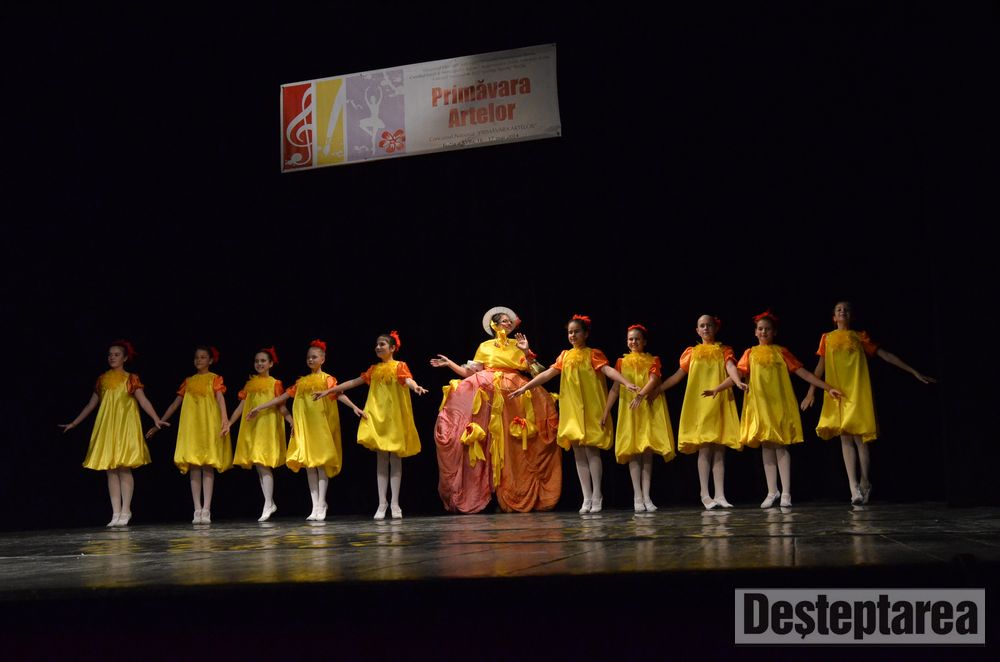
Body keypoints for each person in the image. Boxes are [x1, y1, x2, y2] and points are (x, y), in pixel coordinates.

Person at [800, 301, 936, 504]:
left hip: (857, 391)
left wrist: (913, 371)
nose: (843, 311)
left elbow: (886, 355)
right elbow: (820, 367)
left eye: (846, 309)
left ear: (851, 316)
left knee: (860, 438)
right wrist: (811, 392)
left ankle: (865, 481)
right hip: (836, 391)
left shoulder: (859, 337)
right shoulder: (826, 338)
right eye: (839, 310)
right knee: (845, 437)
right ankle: (853, 486)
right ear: (834, 318)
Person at [704, 311, 842, 508]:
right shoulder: (750, 353)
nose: (763, 332)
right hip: (759, 405)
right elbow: (737, 375)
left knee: (781, 445)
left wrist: (827, 388)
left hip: (779, 404)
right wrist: (718, 388)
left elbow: (803, 373)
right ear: (755, 332)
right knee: (766, 445)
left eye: (767, 329)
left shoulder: (781, 352)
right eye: (760, 329)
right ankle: (772, 491)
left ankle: (786, 492)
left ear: (774, 332)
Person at [431, 306, 560, 514]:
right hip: (486, 397)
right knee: (484, 441)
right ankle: (483, 492)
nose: (508, 323)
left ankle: (512, 489)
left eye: (510, 321)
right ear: (494, 325)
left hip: (512, 396)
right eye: (504, 321)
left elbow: (539, 373)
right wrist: (449, 364)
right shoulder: (485, 346)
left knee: (513, 443)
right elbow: (469, 372)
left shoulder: (518, 344)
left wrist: (526, 352)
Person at [510, 315, 637, 514]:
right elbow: (546, 374)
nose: (573, 335)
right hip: (572, 410)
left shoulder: (593, 354)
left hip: (591, 409)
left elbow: (608, 371)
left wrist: (625, 382)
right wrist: (525, 387)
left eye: (576, 331)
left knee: (592, 451)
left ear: (585, 334)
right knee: (578, 452)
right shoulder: (565, 356)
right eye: (570, 332)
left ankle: (597, 494)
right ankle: (586, 497)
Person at [314, 331, 427, 519]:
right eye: (377, 344)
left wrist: (415, 386)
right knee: (381, 459)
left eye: (382, 344)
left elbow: (407, 380)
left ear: (392, 348)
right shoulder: (373, 370)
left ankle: (395, 503)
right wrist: (329, 391)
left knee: (395, 458)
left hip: (393, 418)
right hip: (376, 416)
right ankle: (382, 503)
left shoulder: (399, 366)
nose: (378, 347)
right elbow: (353, 382)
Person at [248, 340, 364, 521]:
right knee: (309, 465)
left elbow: (339, 394)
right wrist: (259, 407)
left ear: (322, 359)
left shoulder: (327, 379)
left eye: (314, 357)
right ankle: (315, 505)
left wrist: (354, 407)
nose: (310, 360)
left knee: (321, 463)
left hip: (321, 427)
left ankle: (322, 503)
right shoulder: (301, 382)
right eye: (309, 357)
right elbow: (281, 398)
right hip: (306, 428)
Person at [59, 340, 167, 526]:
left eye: (116, 354)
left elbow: (143, 400)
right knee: (110, 469)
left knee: (124, 467)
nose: (112, 357)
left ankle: (126, 509)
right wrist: (75, 422)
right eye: (110, 354)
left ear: (125, 358)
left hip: (125, 426)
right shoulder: (102, 379)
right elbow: (91, 404)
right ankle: (115, 512)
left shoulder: (131, 378)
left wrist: (156, 418)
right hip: (108, 426)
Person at [653, 315, 742, 510]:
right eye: (702, 326)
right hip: (700, 403)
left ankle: (720, 494)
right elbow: (678, 375)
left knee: (719, 448)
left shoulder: (724, 350)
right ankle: (705, 493)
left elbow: (731, 367)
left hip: (719, 400)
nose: (706, 328)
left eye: (709, 325)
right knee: (705, 447)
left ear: (715, 328)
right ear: (697, 330)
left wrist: (737, 381)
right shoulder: (691, 353)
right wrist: (658, 389)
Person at [149, 346, 232, 524]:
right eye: (196, 357)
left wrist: (225, 419)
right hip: (192, 426)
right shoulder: (188, 381)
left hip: (208, 424)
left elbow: (220, 398)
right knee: (194, 465)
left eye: (203, 357)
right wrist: (159, 422)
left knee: (207, 464)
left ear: (210, 360)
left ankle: (207, 508)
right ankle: (197, 508)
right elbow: (175, 404)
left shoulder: (214, 378)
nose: (199, 360)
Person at [601, 324, 676, 512]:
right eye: (630, 339)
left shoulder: (653, 360)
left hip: (647, 408)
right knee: (634, 450)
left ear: (644, 342)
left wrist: (641, 395)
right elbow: (615, 388)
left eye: (637, 339)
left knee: (647, 450)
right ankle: (637, 495)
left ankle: (647, 495)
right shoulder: (621, 362)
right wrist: (606, 411)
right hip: (630, 410)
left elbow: (653, 380)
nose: (633, 342)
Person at [227, 347, 292, 522]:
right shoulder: (250, 385)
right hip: (253, 427)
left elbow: (281, 406)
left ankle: (268, 503)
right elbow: (241, 407)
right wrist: (229, 423)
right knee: (258, 464)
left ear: (270, 364)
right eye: (257, 361)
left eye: (263, 361)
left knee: (262, 462)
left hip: (267, 427)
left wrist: (291, 421)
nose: (259, 364)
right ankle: (268, 502)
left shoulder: (275, 383)